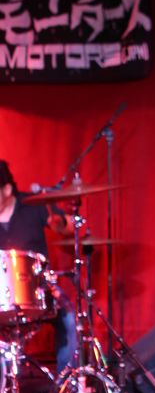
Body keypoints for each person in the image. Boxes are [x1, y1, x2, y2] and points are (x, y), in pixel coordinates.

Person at [0, 159, 77, 373]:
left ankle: (66, 382)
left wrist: (60, 224)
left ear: (7, 190)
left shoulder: (34, 204)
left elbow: (70, 226)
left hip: (39, 288)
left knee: (69, 319)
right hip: (1, 295)